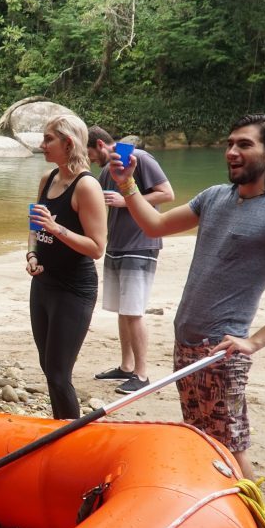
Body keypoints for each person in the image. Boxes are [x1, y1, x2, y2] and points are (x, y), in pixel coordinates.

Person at [109, 113, 265, 480]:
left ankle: (255, 525)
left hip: (222, 352)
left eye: (244, 144)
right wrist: (127, 185)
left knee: (231, 447)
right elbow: (154, 225)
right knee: (201, 440)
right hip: (186, 342)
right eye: (230, 144)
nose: (232, 152)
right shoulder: (214, 197)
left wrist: (253, 342)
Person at [27, 114, 107, 419]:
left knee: (60, 373)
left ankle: (72, 432)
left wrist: (57, 229)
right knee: (48, 366)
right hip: (44, 282)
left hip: (75, 288)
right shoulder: (47, 179)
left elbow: (97, 247)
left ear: (68, 143)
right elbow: (35, 228)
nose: (42, 145)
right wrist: (32, 256)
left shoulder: (87, 186)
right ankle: (60, 427)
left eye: (48, 139)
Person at [86, 127, 175, 394]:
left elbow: (167, 194)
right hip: (116, 244)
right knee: (123, 311)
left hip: (140, 244)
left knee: (134, 312)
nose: (89, 159)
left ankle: (142, 374)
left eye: (89, 152)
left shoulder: (139, 158)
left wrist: (125, 201)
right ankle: (126, 367)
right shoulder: (106, 170)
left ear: (100, 144)